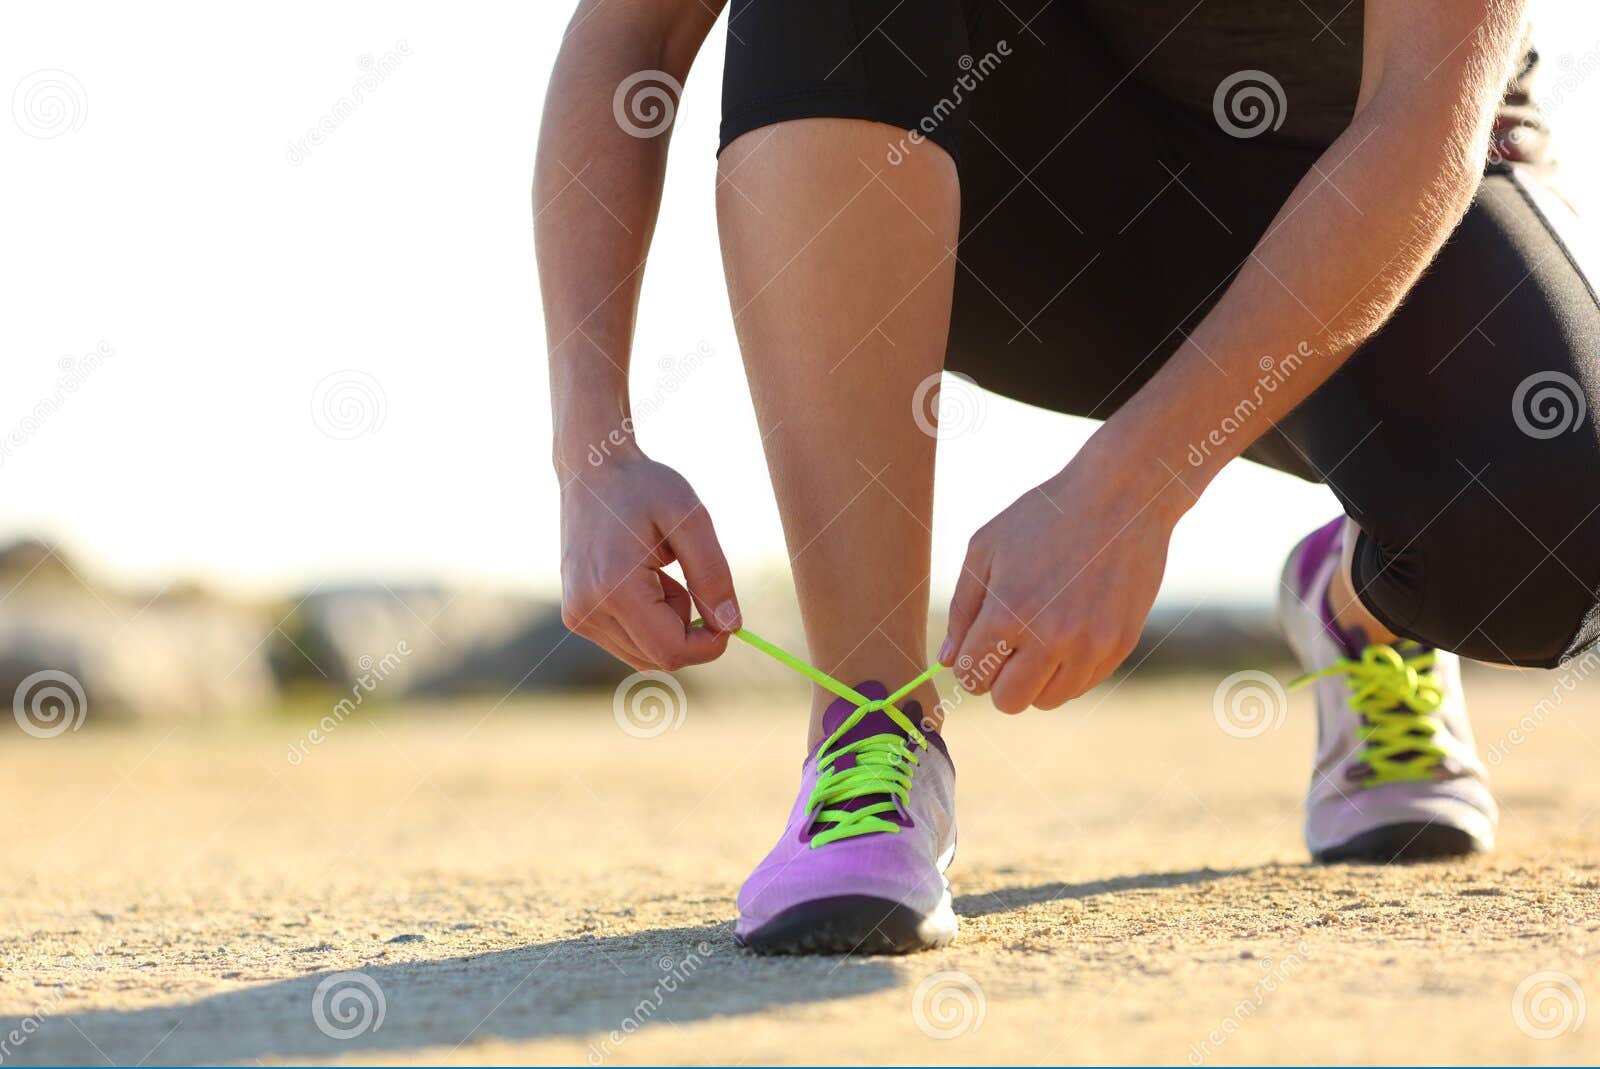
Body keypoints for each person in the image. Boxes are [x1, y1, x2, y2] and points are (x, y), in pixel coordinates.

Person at [535, 0, 1600, 954]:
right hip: (1034, 201)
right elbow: (632, 33)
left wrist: (1131, 489)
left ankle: (1365, 600)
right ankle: (870, 728)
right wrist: (593, 451)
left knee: (1565, 534)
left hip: (1366, 202)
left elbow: (1420, 118)